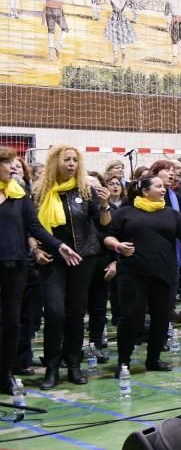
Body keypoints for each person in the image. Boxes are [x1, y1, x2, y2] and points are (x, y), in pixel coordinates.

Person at [0, 147, 81, 394]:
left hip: (15, 266)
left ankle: (5, 374)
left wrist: (59, 246)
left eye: (15, 162)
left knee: (12, 323)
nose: (15, 167)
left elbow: (35, 227)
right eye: (9, 163)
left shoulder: (18, 194)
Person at [103, 177, 181, 374]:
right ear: (145, 191)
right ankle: (124, 361)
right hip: (132, 273)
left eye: (163, 187)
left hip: (163, 273)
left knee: (161, 317)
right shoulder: (125, 212)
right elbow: (107, 236)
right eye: (158, 186)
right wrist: (118, 246)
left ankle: (153, 359)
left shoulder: (171, 214)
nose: (163, 189)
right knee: (131, 317)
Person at [34, 146, 112, 388]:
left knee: (76, 314)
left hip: (83, 259)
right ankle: (52, 367)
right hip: (53, 260)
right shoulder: (40, 192)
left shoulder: (86, 191)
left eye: (75, 160)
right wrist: (36, 250)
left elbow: (103, 224)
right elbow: (30, 226)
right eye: (66, 159)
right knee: (55, 313)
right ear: (55, 162)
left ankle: (74, 364)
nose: (71, 164)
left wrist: (104, 205)